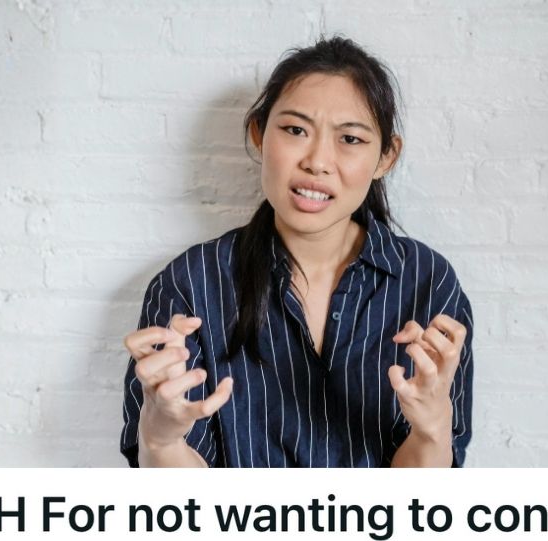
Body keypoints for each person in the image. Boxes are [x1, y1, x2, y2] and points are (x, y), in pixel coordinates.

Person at [120, 36, 473, 468]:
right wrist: (160, 439)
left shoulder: (428, 281)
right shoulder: (190, 284)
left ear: (386, 157)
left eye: (350, 139)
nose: (318, 161)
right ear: (259, 133)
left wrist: (432, 426)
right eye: (295, 130)